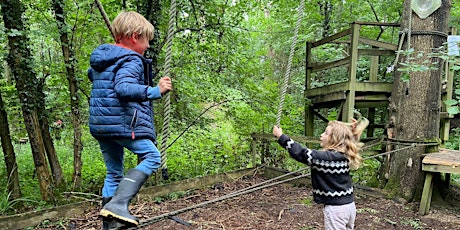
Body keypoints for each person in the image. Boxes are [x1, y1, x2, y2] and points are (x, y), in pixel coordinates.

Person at [87, 11, 172, 228]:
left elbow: (94, 77)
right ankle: (119, 204)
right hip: (121, 123)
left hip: (100, 125)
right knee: (153, 156)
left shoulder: (103, 59)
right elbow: (123, 88)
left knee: (114, 173)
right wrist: (155, 90)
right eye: (146, 41)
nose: (146, 47)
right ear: (135, 37)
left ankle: (110, 224)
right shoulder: (132, 59)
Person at [273, 117, 369, 230]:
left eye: (326, 133)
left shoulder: (325, 159)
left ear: (334, 139)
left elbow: (301, 153)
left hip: (336, 209)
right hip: (349, 206)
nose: (321, 135)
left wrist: (281, 137)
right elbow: (348, 142)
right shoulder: (344, 155)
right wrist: (352, 133)